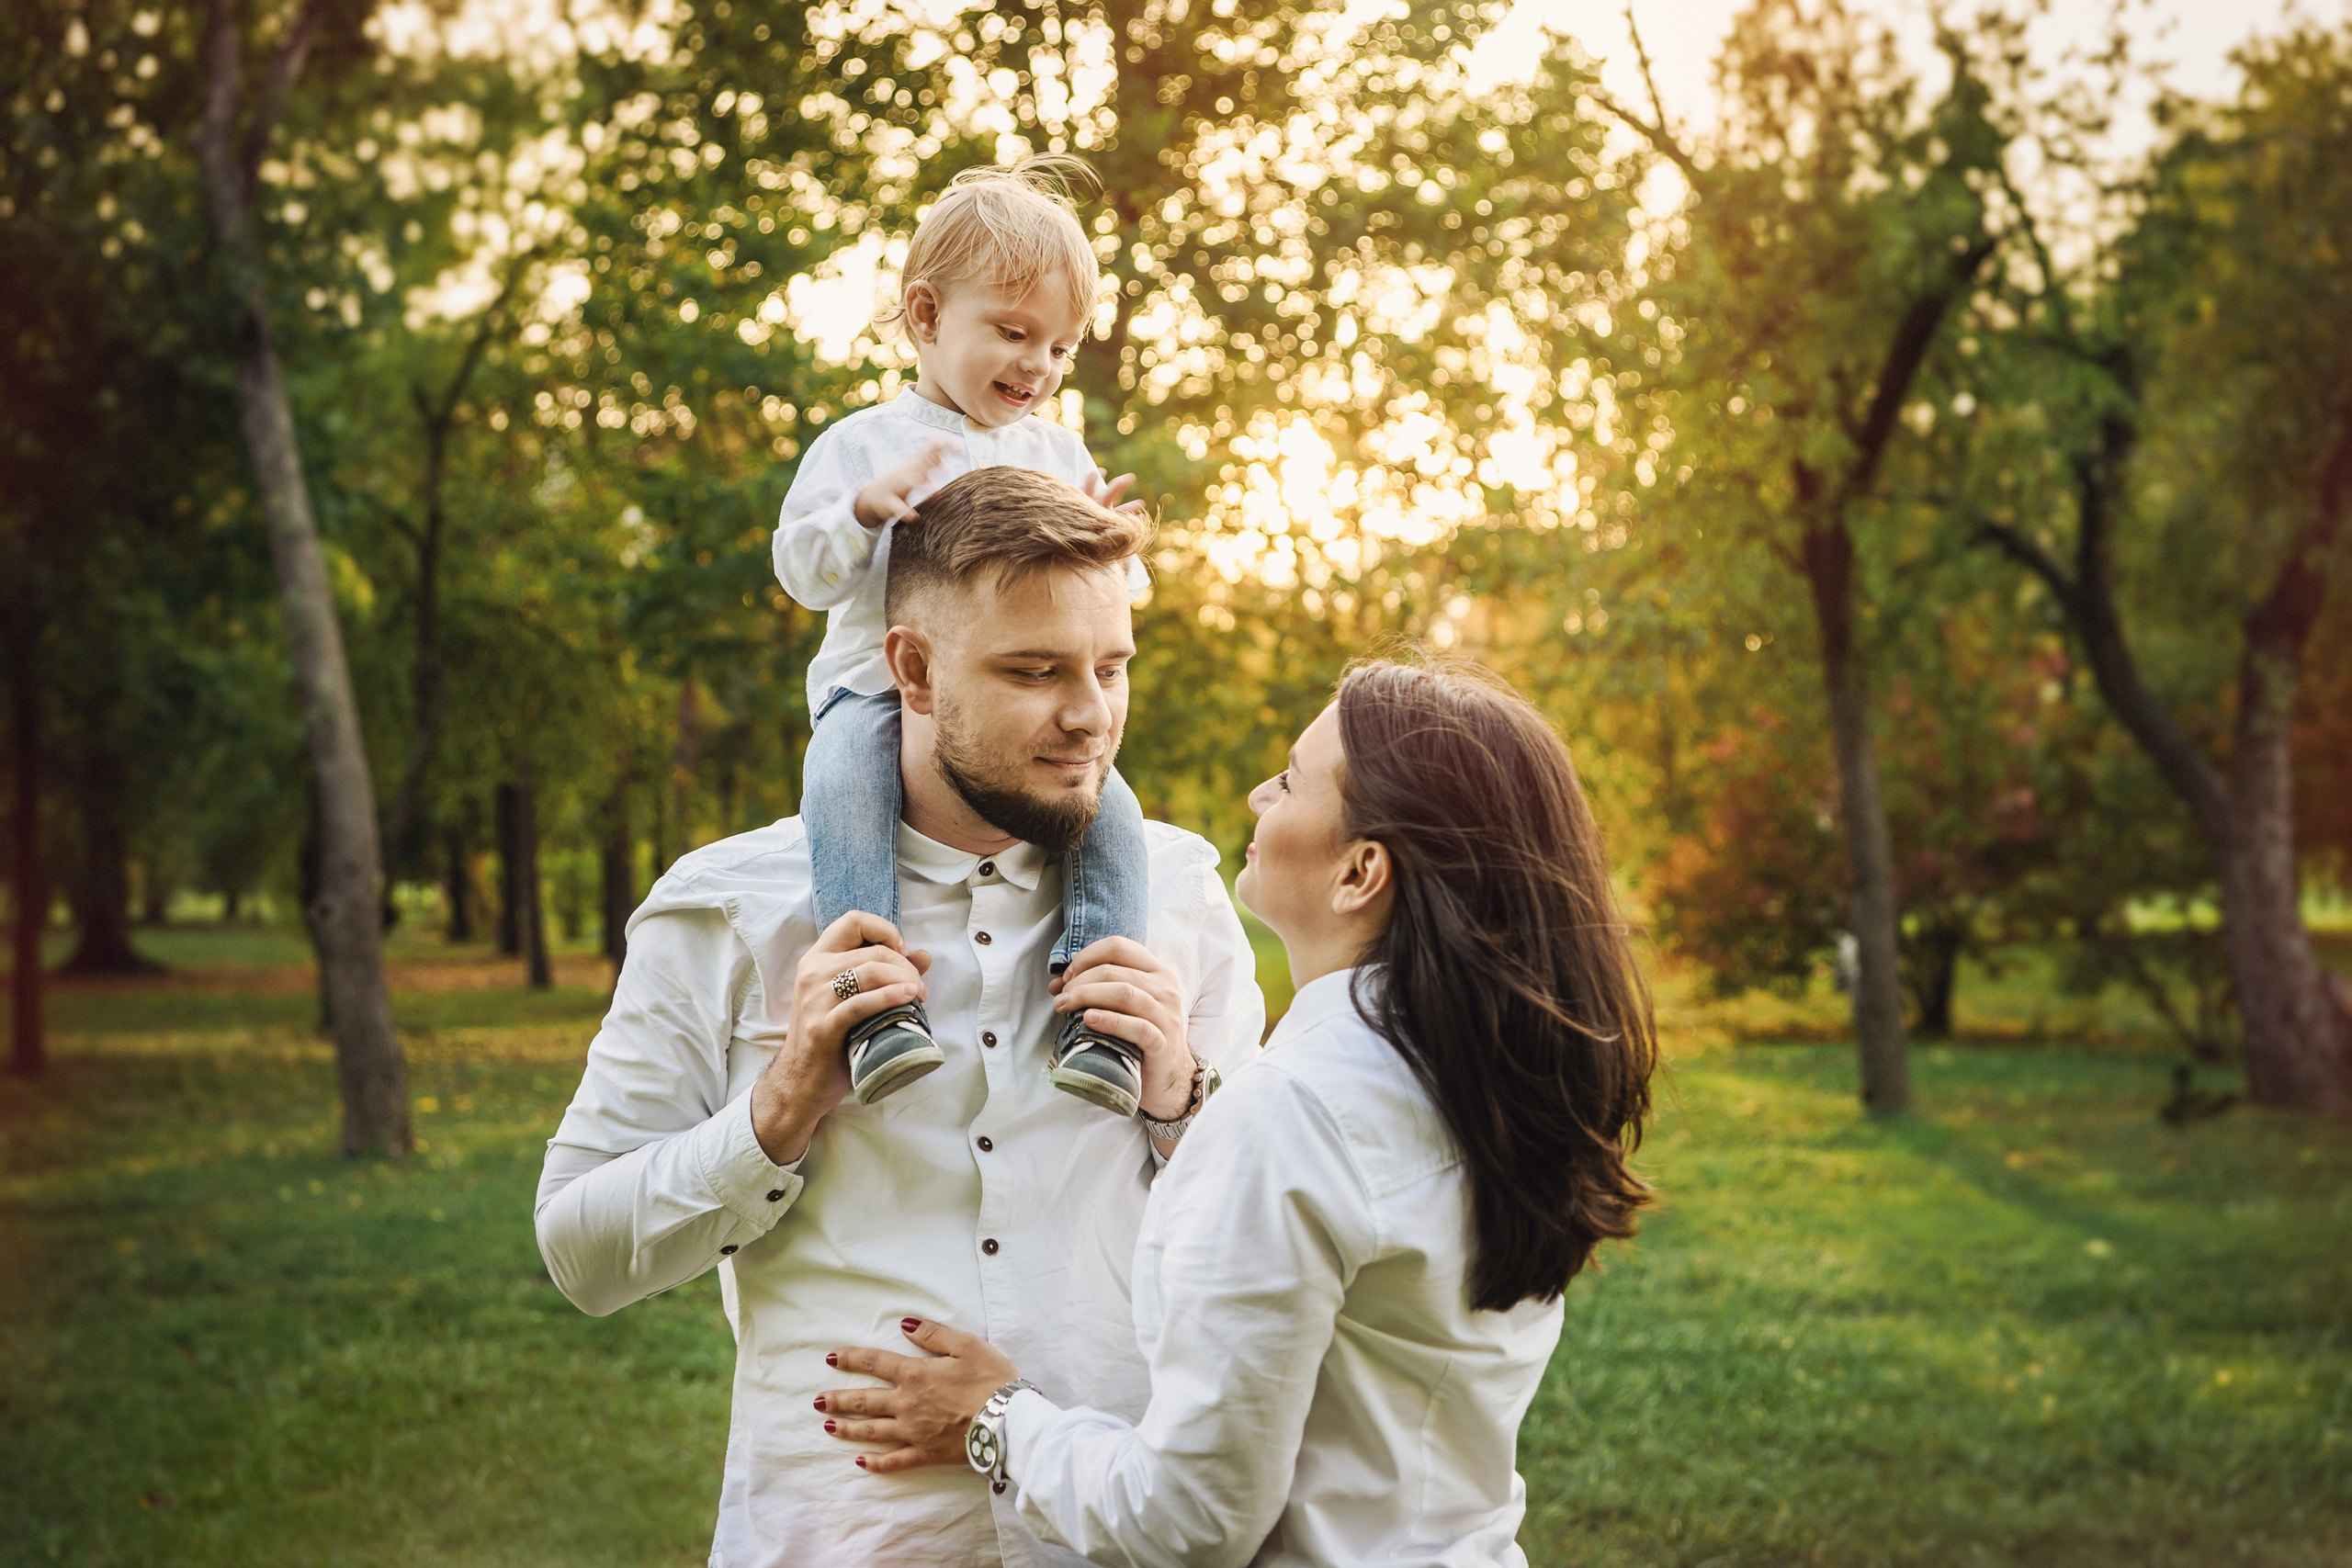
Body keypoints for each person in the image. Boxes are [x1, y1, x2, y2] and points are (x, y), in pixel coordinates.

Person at [536, 468, 1264, 1567]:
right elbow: (579, 1255)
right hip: (842, 1534)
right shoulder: (729, 909)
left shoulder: (1181, 896)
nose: (1090, 715)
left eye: (1112, 667)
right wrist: (777, 1110)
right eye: (1034, 670)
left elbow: (1265, 1252)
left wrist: (1179, 1103)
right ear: (912, 670)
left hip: (1111, 1531)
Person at [817, 657, 1659, 1568]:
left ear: (1359, 872)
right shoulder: (1488, 1077)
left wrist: (995, 1417)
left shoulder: (1291, 1114)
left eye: (1292, 781)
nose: (1262, 795)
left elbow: (1190, 1523)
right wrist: (1183, 1105)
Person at [773, 156, 1158, 1115]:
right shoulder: (863, 445)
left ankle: (1095, 1009)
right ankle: (873, 1008)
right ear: (927, 314)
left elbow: (1112, 596)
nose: (1038, 366)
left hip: (1010, 708)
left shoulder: (1055, 454)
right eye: (1015, 332)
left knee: (1109, 809)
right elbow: (801, 572)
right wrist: (863, 514)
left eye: (1062, 348)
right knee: (842, 787)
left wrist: (1110, 544)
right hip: (877, 690)